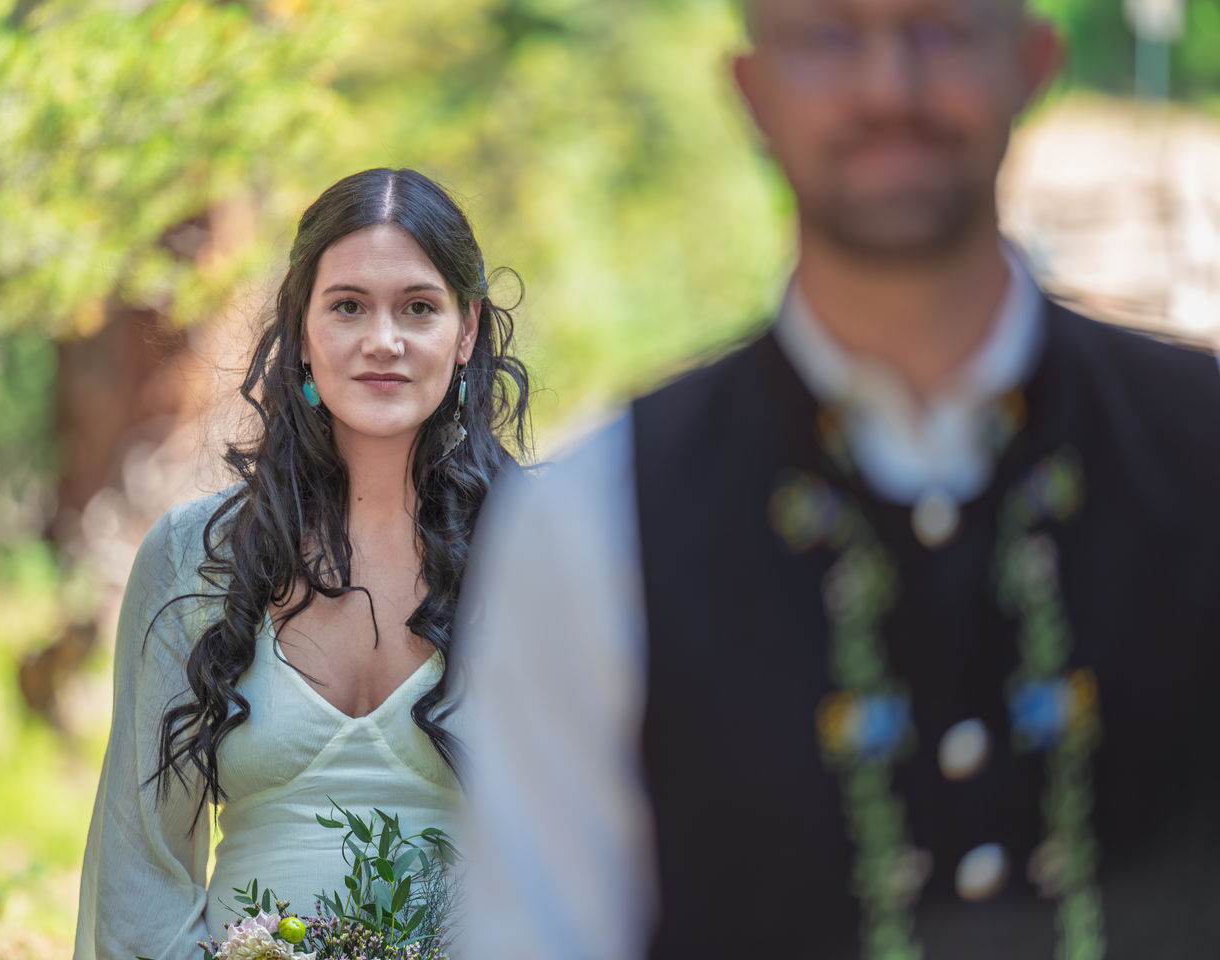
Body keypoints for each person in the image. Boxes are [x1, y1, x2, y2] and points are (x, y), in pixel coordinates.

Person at [458, 1, 1220, 957]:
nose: (887, 87)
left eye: (941, 29)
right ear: (751, 90)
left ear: (1034, 60)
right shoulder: (586, 521)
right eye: (828, 34)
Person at [73, 168, 530, 960]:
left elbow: (602, 849)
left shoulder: (540, 555)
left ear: (465, 332)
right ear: (303, 330)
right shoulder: (192, 558)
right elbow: (138, 878)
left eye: (418, 307)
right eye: (348, 305)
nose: (382, 339)